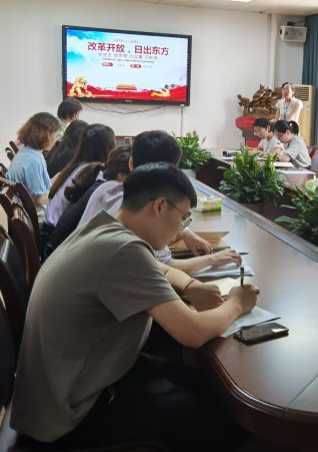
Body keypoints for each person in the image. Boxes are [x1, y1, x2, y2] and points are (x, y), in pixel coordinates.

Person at [11, 163, 258, 451]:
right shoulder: (124, 251)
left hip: (56, 392)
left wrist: (191, 286)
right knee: (222, 421)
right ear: (160, 206)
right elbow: (193, 332)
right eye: (183, 218)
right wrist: (237, 303)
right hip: (69, 415)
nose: (180, 230)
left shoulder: (105, 228)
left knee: (198, 381)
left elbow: (158, 269)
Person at [78, 130, 238, 274]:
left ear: (131, 164)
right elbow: (164, 268)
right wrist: (212, 259)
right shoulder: (145, 219)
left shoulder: (106, 189)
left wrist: (185, 232)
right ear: (172, 173)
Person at [43, 146, 131, 260]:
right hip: (56, 252)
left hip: (54, 247)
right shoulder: (106, 193)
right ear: (121, 175)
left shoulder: (97, 181)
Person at [41, 124, 116, 246]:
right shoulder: (93, 173)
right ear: (109, 147)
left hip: (48, 233)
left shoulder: (76, 166)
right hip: (56, 241)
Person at [7, 112, 60, 207]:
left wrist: (59, 177)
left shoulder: (27, 151)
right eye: (55, 135)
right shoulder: (33, 161)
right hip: (36, 211)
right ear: (44, 135)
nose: (56, 139)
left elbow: (43, 186)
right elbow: (40, 200)